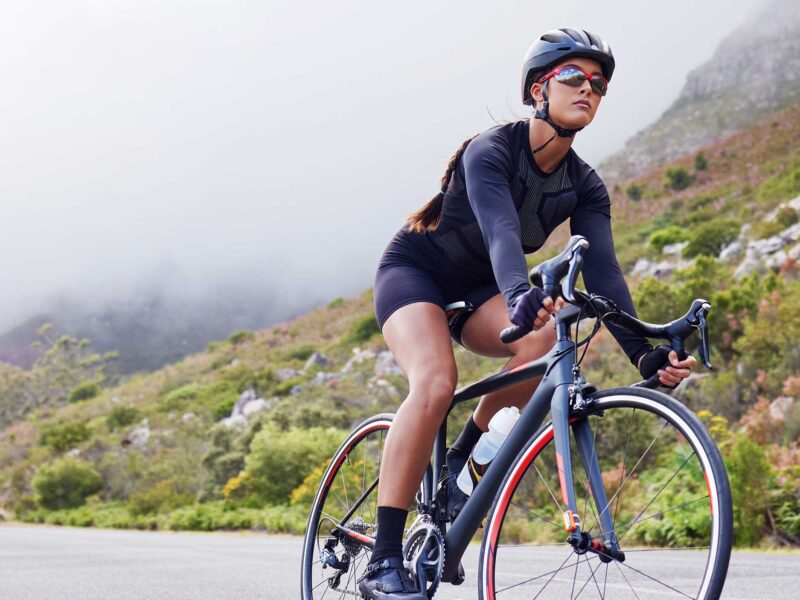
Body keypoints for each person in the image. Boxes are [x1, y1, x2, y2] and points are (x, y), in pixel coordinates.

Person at [358, 27, 697, 599]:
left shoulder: (585, 186)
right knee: (437, 381)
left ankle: (458, 464)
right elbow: (501, 231)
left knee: (542, 340)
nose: (589, 88)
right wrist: (520, 293)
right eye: (573, 77)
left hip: (483, 291)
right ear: (538, 89)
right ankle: (383, 560)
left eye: (599, 83)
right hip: (416, 274)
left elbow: (606, 274)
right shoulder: (490, 150)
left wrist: (645, 352)